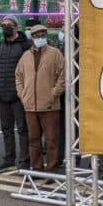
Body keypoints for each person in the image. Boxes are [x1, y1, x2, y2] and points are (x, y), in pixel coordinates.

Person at [16, 24, 65, 173]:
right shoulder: (26, 56)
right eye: (37, 35)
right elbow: (18, 77)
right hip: (30, 105)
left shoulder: (55, 54)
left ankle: (52, 169)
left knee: (51, 141)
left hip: (49, 105)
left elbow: (63, 76)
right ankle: (36, 168)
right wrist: (22, 94)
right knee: (33, 140)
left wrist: (54, 93)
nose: (40, 38)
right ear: (32, 38)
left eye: (42, 35)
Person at [0, 14, 32, 173]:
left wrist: (23, 90)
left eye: (9, 25)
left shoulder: (25, 45)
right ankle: (9, 158)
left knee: (23, 129)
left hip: (19, 96)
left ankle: (25, 160)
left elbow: (30, 70)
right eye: (3, 25)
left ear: (16, 27)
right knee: (6, 129)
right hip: (2, 94)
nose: (5, 27)